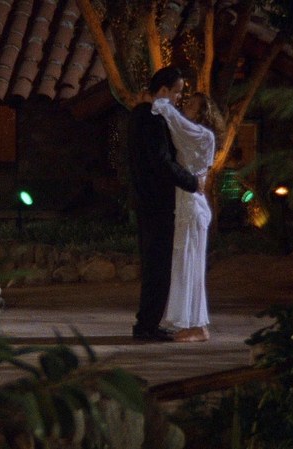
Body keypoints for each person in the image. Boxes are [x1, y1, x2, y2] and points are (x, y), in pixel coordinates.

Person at [127, 67, 201, 341]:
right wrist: (191, 182)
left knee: (154, 263)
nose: (179, 98)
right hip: (156, 201)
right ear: (163, 91)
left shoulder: (138, 116)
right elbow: (162, 162)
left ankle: (148, 322)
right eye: (177, 92)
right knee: (158, 265)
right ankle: (147, 325)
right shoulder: (152, 119)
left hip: (145, 199)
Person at [151, 92, 225, 342]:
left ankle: (196, 325)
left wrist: (161, 102)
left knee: (190, 267)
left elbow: (177, 124)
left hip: (192, 207)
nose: (185, 107)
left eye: (191, 105)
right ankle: (193, 324)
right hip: (187, 205)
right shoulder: (195, 135)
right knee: (186, 266)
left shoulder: (203, 135)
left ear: (203, 113)